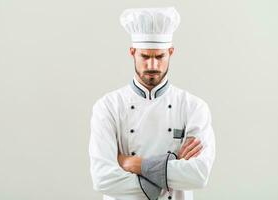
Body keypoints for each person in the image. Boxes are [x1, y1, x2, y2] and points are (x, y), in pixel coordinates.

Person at [89, 7, 216, 200]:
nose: (152, 65)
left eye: (159, 56)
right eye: (145, 56)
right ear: (132, 52)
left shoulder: (193, 107)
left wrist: (133, 164)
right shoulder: (107, 107)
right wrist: (171, 167)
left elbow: (199, 175)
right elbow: (102, 178)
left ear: (170, 52)